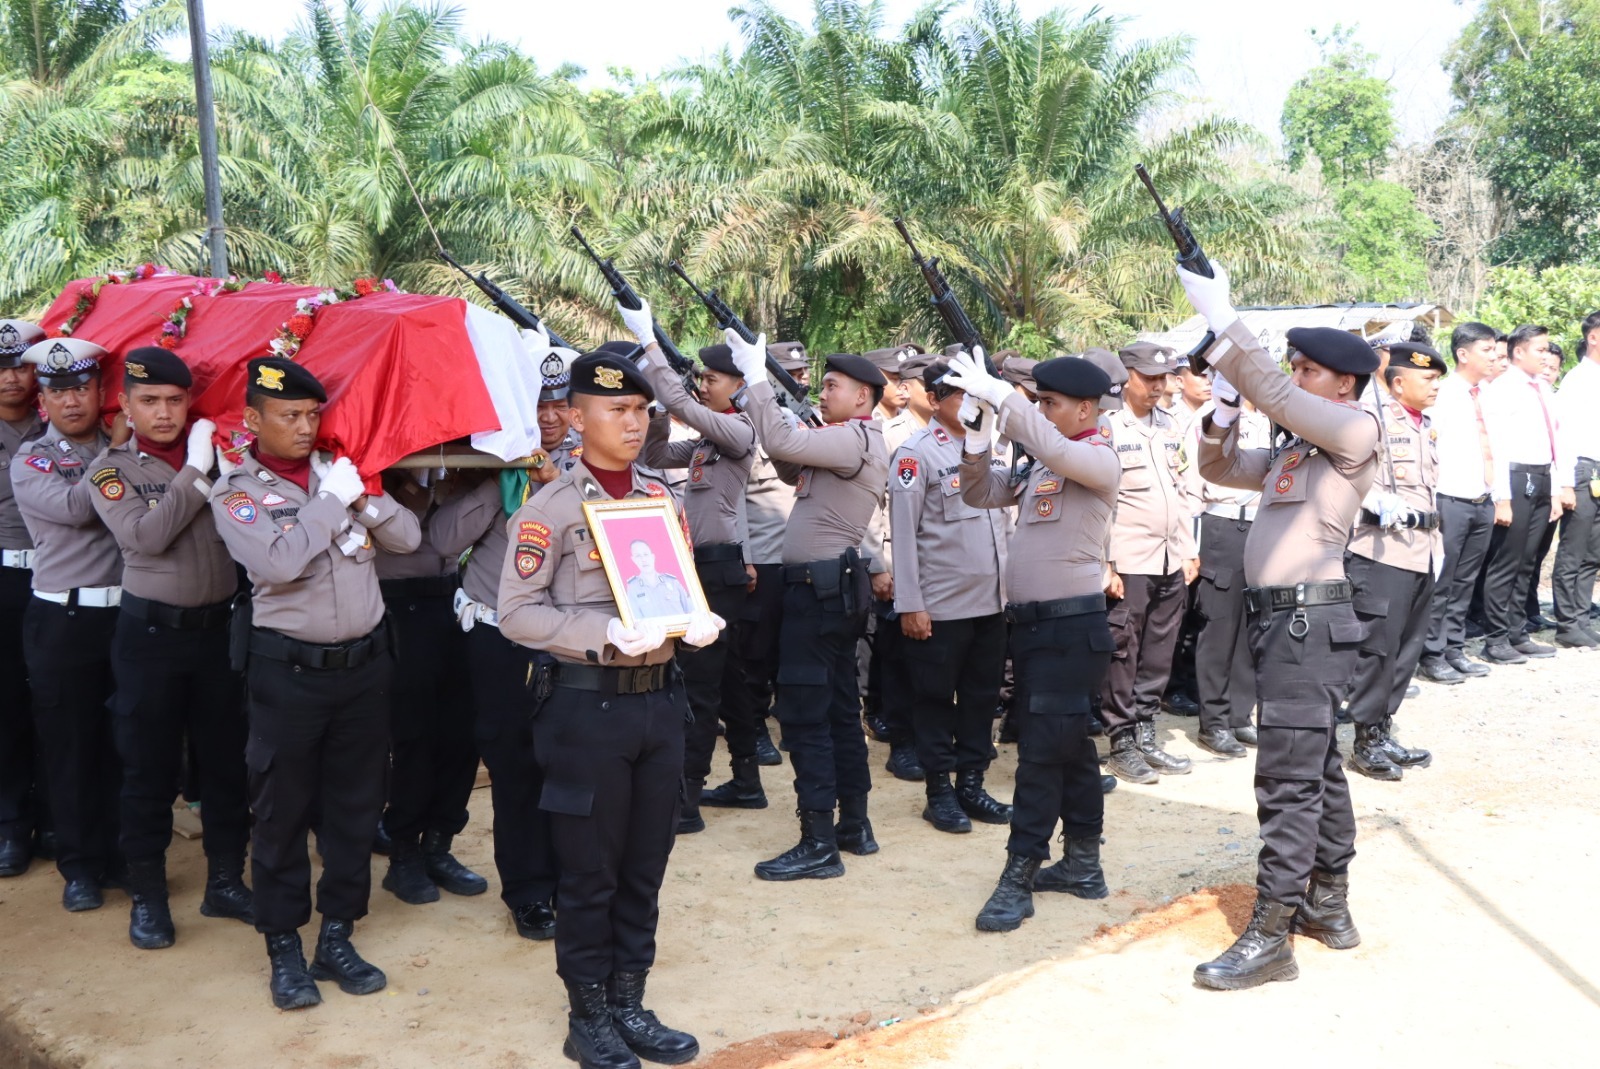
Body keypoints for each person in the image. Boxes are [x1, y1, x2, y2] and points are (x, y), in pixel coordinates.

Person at [497, 350, 721, 1069]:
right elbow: (516, 614)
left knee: (645, 864)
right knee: (589, 870)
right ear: (578, 416)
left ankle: (630, 999)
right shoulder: (550, 509)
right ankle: (587, 1013)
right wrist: (599, 633)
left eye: (641, 410)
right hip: (585, 710)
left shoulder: (661, 498)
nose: (633, 421)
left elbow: (672, 586)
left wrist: (697, 618)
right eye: (617, 409)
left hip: (659, 704)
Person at [1184, 264, 1381, 990]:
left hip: (1308, 622)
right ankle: (1329, 904)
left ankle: (1273, 932)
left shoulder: (1356, 429)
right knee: (1317, 764)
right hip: (1286, 625)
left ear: (1344, 385)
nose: (1295, 377)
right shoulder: (1300, 450)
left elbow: (1276, 393)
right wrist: (1227, 406)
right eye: (1292, 365)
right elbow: (1218, 465)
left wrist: (1228, 319)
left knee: (1286, 777)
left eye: (1309, 370)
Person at [211, 356, 420, 1011]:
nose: (305, 427)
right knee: (281, 810)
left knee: (357, 807)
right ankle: (283, 946)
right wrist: (332, 501)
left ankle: (336, 934)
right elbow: (278, 561)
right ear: (253, 419)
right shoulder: (235, 490)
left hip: (364, 670)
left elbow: (409, 538)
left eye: (311, 415)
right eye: (288, 416)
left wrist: (362, 496)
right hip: (289, 676)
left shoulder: (339, 475)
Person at [943, 352, 1119, 931]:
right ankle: (1084, 864)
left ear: (1086, 409)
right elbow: (979, 492)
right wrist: (976, 437)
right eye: (1038, 401)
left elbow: (1060, 451)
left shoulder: (1095, 456)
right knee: (1069, 747)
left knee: (1041, 754)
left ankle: (1020, 873)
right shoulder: (1044, 463)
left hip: (1071, 628)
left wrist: (1008, 398)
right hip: (1038, 629)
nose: (1042, 410)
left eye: (1051, 403)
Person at [87, 346, 252, 948]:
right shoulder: (111, 471)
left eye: (176, 400)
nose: (164, 412)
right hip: (150, 639)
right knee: (148, 769)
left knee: (227, 764)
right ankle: (149, 899)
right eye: (150, 401)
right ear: (126, 407)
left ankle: (226, 882)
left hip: (217, 636)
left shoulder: (225, 460)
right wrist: (197, 471)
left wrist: (217, 465)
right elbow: (146, 536)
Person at [723, 330, 889, 882]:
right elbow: (789, 460)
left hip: (817, 592)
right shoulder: (845, 437)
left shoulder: (855, 439)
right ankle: (853, 824)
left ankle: (818, 838)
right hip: (829, 588)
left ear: (863, 397)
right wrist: (784, 412)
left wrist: (754, 379)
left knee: (805, 715)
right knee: (840, 707)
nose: (823, 393)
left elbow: (786, 447)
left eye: (833, 386)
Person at [430, 399, 564, 941]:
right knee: (515, 768)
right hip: (500, 641)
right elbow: (442, 542)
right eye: (538, 406)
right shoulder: (484, 472)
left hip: (569, 643)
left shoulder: (591, 474)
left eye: (561, 405)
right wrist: (500, 481)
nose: (549, 418)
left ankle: (573, 881)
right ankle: (530, 892)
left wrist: (555, 486)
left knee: (572, 767)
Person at [12, 336, 123, 912]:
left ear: (101, 391)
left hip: (127, 618)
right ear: (43, 402)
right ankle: (80, 866)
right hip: (64, 617)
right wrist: (120, 453)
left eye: (81, 387)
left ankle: (122, 854)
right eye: (58, 392)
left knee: (123, 744)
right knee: (71, 747)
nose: (71, 401)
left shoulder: (123, 446)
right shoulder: (30, 460)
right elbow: (83, 506)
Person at [635, 331, 757, 836]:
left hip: (718, 565)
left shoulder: (740, 429)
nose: (704, 385)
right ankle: (744, 779)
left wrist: (655, 359)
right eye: (702, 377)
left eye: (712, 378)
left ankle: (686, 799)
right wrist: (659, 410)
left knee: (701, 687)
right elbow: (656, 454)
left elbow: (690, 408)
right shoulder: (710, 440)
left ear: (739, 385)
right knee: (726, 681)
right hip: (702, 564)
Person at [888, 358, 1011, 835]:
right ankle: (939, 791)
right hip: (940, 605)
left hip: (991, 600)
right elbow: (903, 532)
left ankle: (972, 785)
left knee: (982, 698)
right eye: (961, 396)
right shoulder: (915, 453)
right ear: (936, 401)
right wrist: (911, 604)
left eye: (977, 397)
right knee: (936, 698)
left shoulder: (993, 449)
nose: (972, 406)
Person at [372, 467, 489, 906]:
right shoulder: (378, 476)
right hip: (398, 603)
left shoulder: (460, 468)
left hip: (454, 598)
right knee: (413, 738)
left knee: (463, 732)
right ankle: (403, 852)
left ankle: (439, 845)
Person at [1342, 341, 1447, 781]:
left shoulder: (1424, 424)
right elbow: (1349, 470)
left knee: (1406, 650)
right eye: (1427, 379)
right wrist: (1373, 498)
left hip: (1422, 549)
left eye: (1437, 379)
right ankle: (1364, 738)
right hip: (1381, 550)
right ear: (1398, 381)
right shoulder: (1373, 419)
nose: (1435, 386)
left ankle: (1383, 728)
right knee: (1376, 651)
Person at [1100, 342, 1197, 784]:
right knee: (1123, 649)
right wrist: (1106, 562)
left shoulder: (1172, 424)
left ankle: (1144, 728)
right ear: (1128, 377)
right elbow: (1100, 503)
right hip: (1129, 559)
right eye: (1149, 378)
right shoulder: (1108, 428)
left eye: (1163, 378)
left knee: (1160, 648)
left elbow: (1184, 489)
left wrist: (1190, 549)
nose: (1158, 386)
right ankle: (1120, 739)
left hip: (1170, 556)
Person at [1478, 325, 1573, 663]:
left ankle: (1518, 632)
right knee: (1506, 560)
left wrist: (1558, 487)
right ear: (1519, 351)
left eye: (1547, 349)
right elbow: (1497, 446)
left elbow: (1555, 442)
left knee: (1527, 561)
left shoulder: (1543, 390)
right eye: (1540, 349)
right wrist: (1501, 495)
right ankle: (1496, 638)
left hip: (1542, 475)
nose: (1546, 356)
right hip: (1515, 477)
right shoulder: (1501, 389)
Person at [1186, 391, 1270, 758]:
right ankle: (1215, 722)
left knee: (1253, 627)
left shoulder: (1271, 420)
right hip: (1221, 523)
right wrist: (1190, 544)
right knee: (1219, 629)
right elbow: (1190, 478)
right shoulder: (1213, 418)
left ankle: (1239, 715)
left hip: (1262, 527)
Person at [1417, 322, 1499, 682]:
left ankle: (1454, 647)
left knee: (1466, 580)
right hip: (1449, 498)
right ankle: (1431, 653)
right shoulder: (1444, 394)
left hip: (1482, 497)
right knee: (1443, 580)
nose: (1494, 355)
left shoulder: (1487, 395)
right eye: (1487, 350)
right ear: (1463, 354)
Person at [0, 318, 46, 878]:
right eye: (2, 368)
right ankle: (13, 823)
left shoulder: (63, 420)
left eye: (20, 365)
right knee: (7, 705)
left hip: (58, 582)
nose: (11, 378)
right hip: (3, 580)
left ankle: (58, 817)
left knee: (58, 706)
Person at [1552, 312, 1600, 647]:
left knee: (1594, 552)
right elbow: (1563, 436)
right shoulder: (1578, 380)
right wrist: (1566, 482)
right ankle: (1567, 624)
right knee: (1573, 549)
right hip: (1583, 470)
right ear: (1593, 337)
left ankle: (1581, 618)